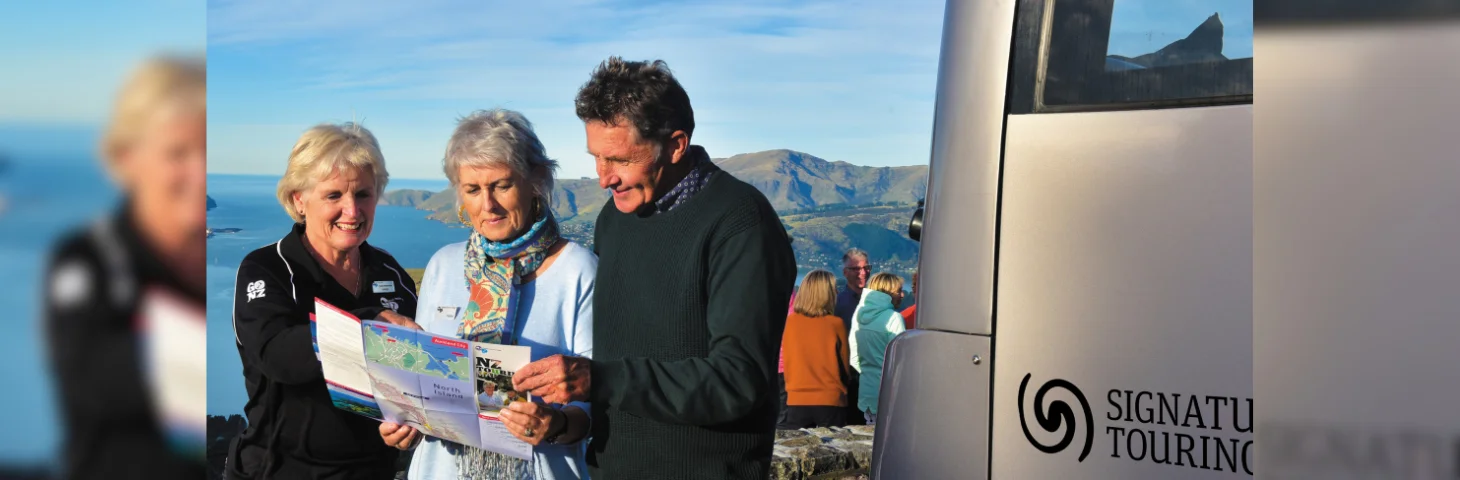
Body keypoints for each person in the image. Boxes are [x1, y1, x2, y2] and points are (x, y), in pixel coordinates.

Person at [512, 57, 797, 480]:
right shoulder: (614, 220)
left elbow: (739, 381)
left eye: (621, 160)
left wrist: (602, 380)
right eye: (596, 157)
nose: (604, 178)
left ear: (676, 144)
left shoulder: (740, 223)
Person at [380, 109, 596, 480]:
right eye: (472, 190)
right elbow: (424, 388)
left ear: (535, 180)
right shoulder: (443, 265)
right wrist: (403, 425)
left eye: (501, 185)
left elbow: (596, 409)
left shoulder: (578, 269)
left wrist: (554, 423)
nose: (487, 205)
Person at [225, 122, 421, 479]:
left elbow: (411, 380)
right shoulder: (267, 270)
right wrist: (368, 323)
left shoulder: (391, 276)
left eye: (363, 194)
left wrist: (411, 427)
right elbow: (278, 356)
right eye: (334, 196)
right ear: (299, 199)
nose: (352, 211)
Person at [43, 54, 208, 480]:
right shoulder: (88, 262)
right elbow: (96, 380)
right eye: (178, 153)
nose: (201, 172)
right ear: (126, 158)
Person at [779, 270, 852, 429]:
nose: (837, 292)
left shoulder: (790, 323)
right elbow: (844, 368)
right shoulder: (836, 324)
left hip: (795, 399)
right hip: (830, 400)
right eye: (834, 289)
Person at [854, 273, 908, 426]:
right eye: (899, 291)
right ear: (888, 294)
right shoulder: (893, 318)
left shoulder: (860, 316)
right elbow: (900, 361)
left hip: (867, 392)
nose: (903, 295)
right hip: (889, 394)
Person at [835, 249, 871, 424]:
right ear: (845, 272)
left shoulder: (876, 302)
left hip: (870, 377)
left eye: (866, 268)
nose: (863, 272)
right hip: (848, 378)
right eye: (856, 269)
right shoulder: (838, 304)